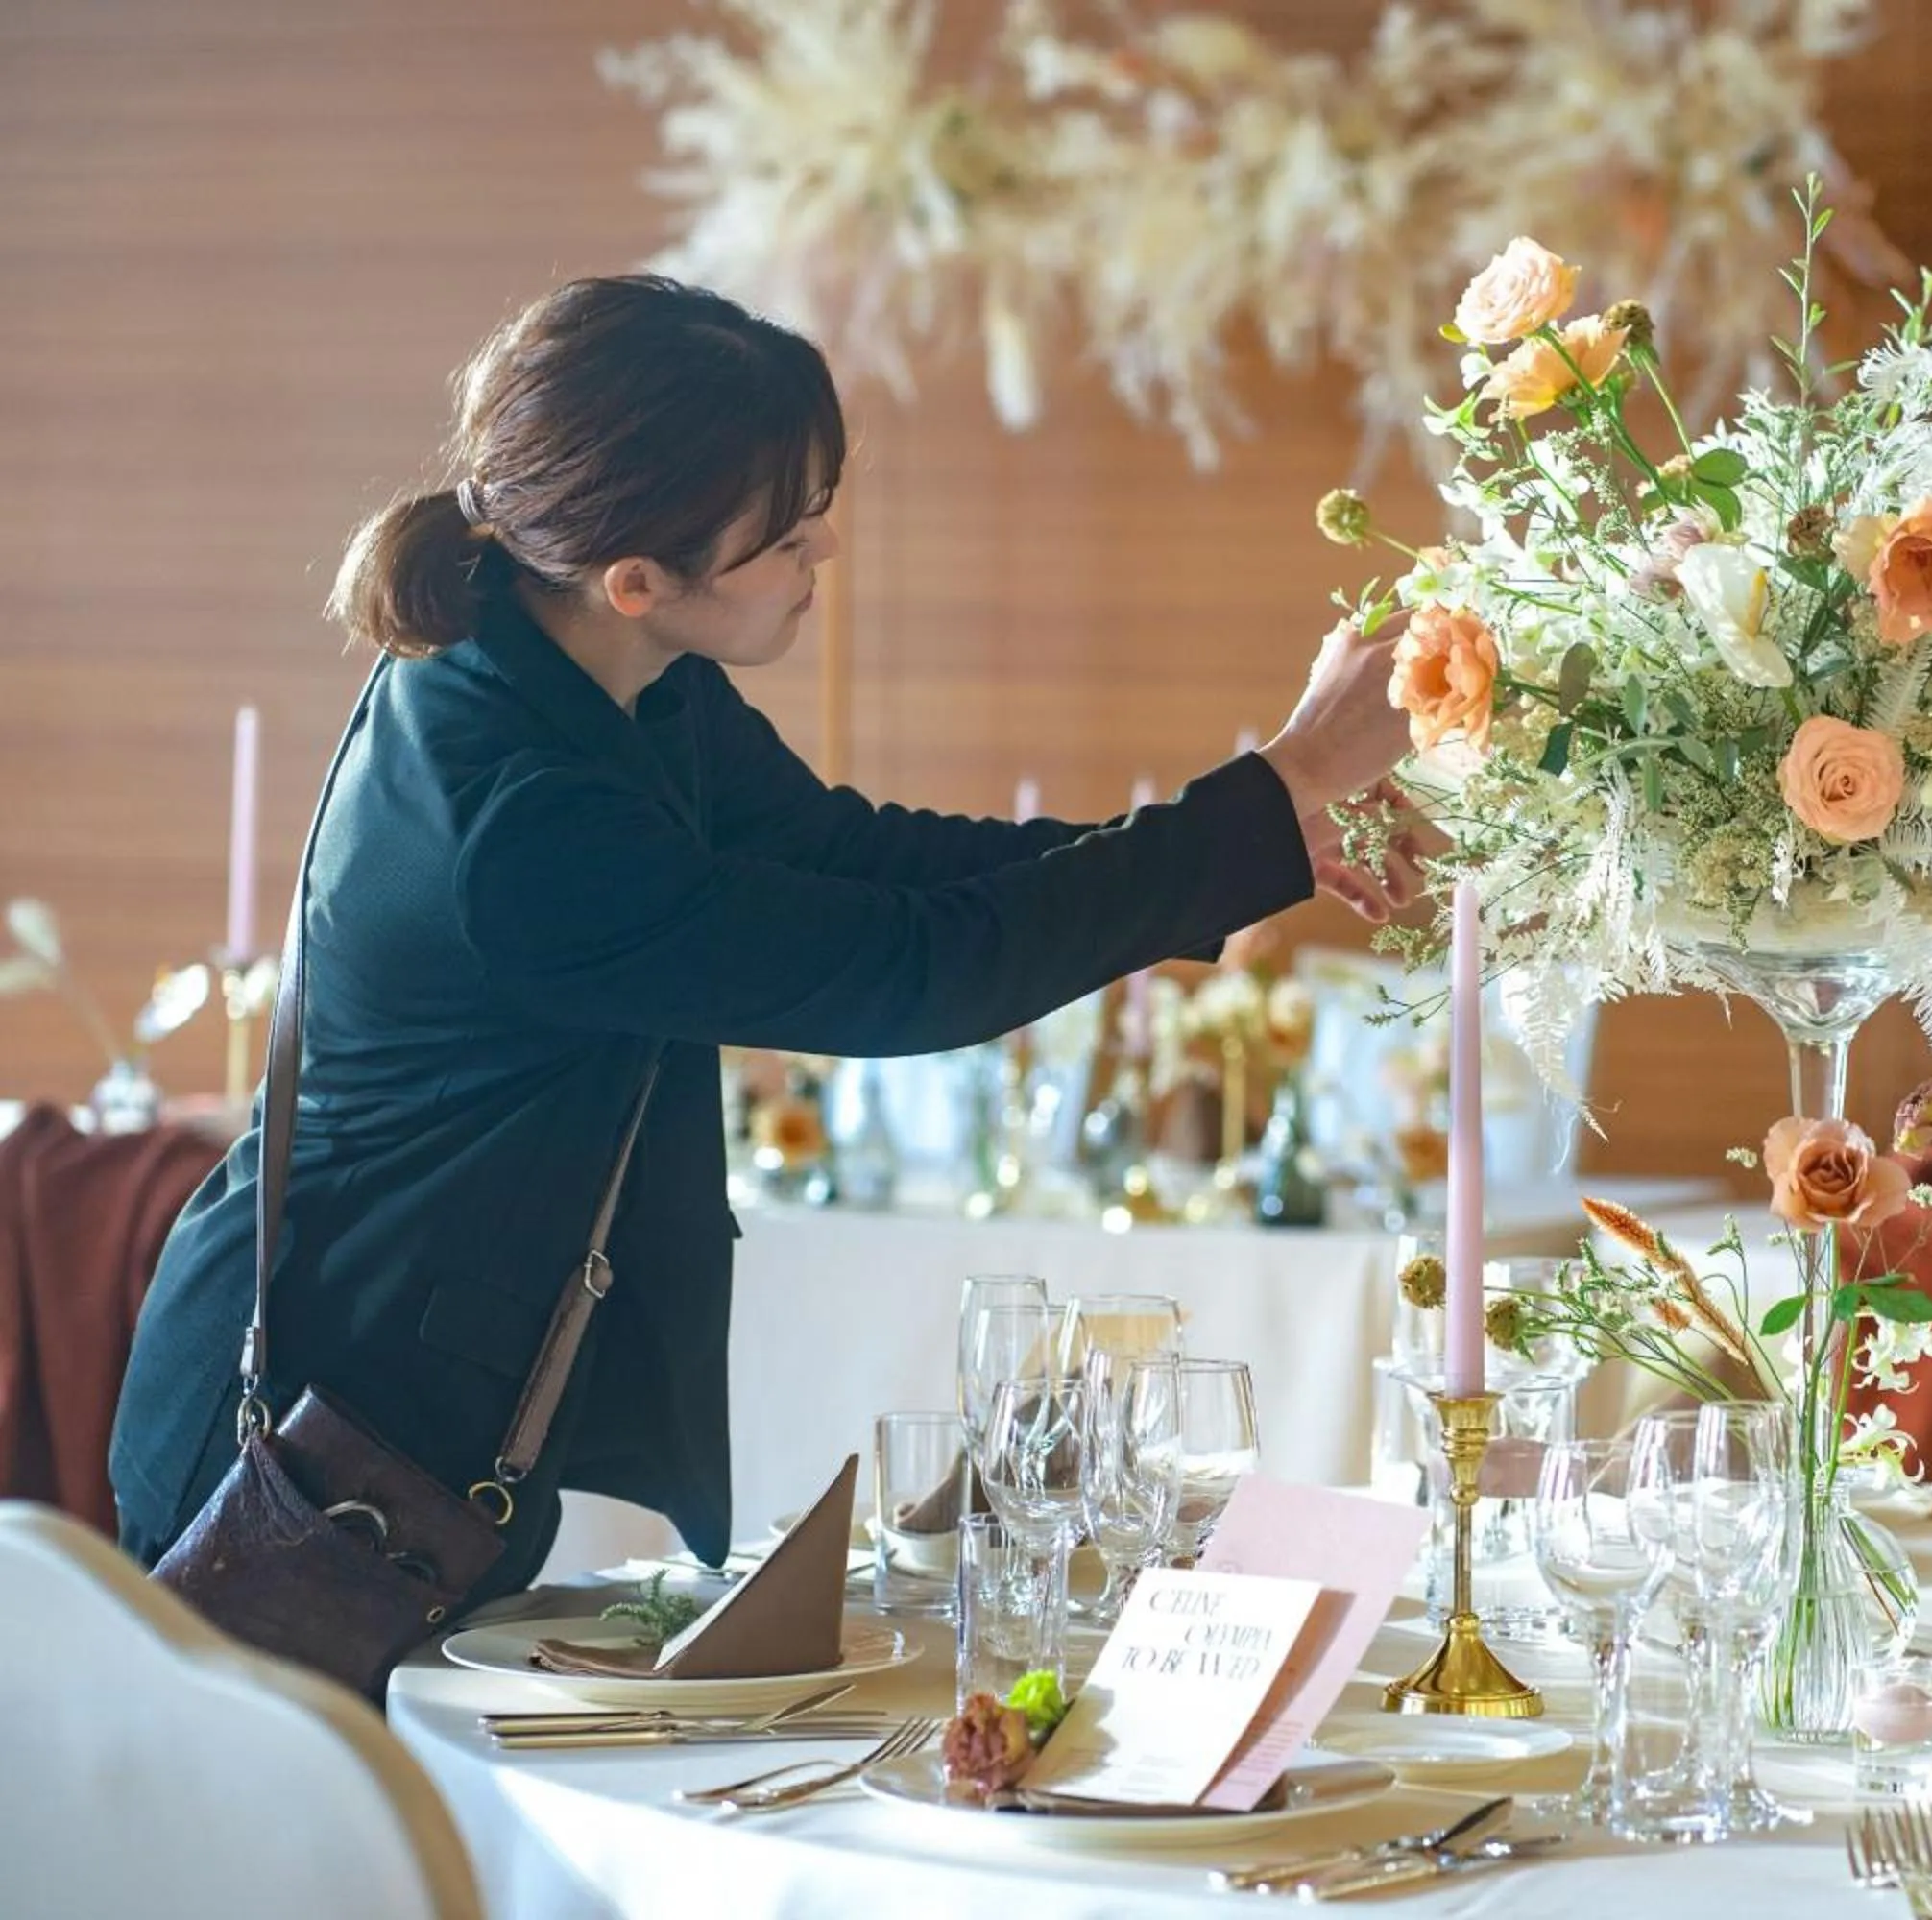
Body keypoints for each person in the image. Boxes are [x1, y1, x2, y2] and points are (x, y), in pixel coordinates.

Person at [110, 276, 1423, 1603]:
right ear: (638, 579)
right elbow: (912, 973)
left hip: (403, 1393)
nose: (825, 557)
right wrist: (1281, 779)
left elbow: (868, 863)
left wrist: (1257, 836)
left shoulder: (602, 675)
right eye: (789, 538)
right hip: (315, 1440)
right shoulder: (524, 828)